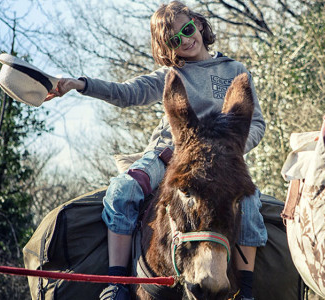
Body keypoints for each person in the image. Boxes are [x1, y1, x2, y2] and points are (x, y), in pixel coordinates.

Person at [45, 2, 267, 300]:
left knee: (248, 204)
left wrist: (232, 149)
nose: (185, 40)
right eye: (174, 40)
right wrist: (81, 84)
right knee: (122, 190)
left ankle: (247, 291)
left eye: (188, 30)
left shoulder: (234, 70)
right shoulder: (169, 75)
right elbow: (126, 93)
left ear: (198, 24)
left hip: (222, 160)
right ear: (166, 46)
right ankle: (118, 282)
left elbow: (256, 123)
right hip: (170, 153)